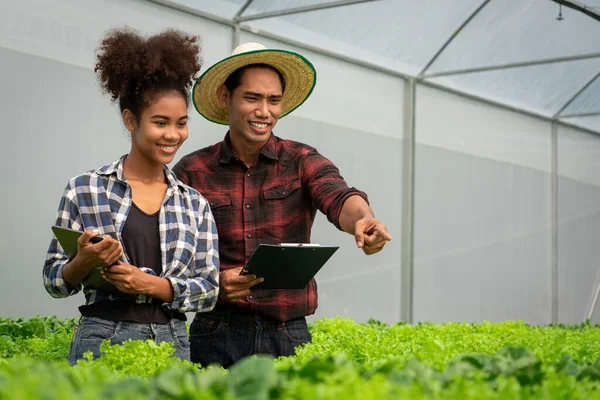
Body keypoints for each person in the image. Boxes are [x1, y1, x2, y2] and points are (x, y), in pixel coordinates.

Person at [173, 42, 392, 368]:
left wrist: (364, 221)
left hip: (287, 333)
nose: (265, 111)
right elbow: (173, 255)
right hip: (215, 331)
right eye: (252, 98)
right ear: (225, 98)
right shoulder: (191, 171)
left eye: (274, 101)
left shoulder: (301, 160)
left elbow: (338, 195)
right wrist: (214, 283)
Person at [43, 28, 219, 365]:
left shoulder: (194, 203)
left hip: (172, 344)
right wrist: (82, 262)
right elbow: (54, 281)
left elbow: (209, 290)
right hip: (101, 338)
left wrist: (149, 284)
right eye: (160, 122)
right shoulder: (85, 188)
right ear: (130, 120)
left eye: (181, 123)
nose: (173, 134)